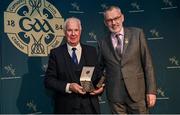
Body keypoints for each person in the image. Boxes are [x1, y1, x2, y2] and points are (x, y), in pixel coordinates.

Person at [97, 6, 157, 114]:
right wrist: (96, 85)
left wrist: (151, 91)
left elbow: (147, 64)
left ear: (122, 18)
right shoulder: (102, 43)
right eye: (109, 20)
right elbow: (101, 69)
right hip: (115, 97)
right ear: (105, 23)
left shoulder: (137, 34)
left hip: (137, 95)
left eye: (116, 18)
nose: (114, 22)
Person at [44, 17, 103, 114]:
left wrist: (100, 87)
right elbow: (49, 81)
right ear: (64, 32)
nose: (73, 34)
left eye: (76, 30)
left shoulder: (91, 51)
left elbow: (99, 75)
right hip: (66, 108)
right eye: (69, 30)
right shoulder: (56, 53)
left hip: (90, 107)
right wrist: (69, 86)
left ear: (80, 31)